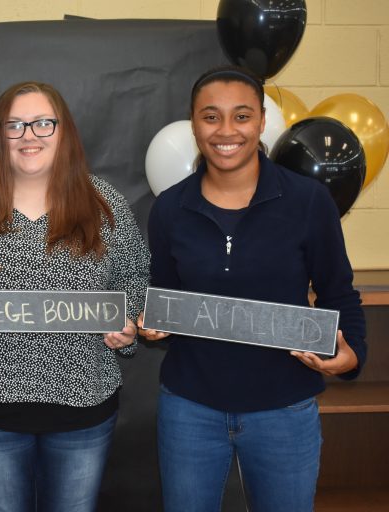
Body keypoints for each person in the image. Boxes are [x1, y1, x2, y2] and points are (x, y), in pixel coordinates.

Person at [137, 65, 367, 512]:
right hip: (189, 409)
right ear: (193, 125)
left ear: (261, 122)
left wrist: (351, 355)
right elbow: (166, 294)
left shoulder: (308, 201)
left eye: (241, 116)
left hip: (285, 409)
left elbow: (339, 293)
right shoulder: (170, 209)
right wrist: (155, 323)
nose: (226, 130)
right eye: (211, 117)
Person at [0, 81, 150, 512]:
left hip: (83, 410)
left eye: (43, 123)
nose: (29, 135)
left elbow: (135, 279)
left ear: (64, 131)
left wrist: (129, 325)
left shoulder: (104, 204)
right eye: (14, 125)